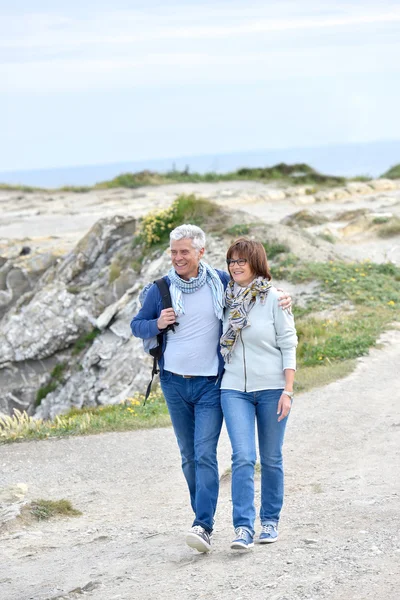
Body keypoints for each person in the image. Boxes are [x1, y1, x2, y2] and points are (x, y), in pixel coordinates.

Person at [131, 225, 292, 553]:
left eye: (184, 252)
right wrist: (157, 323)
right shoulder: (161, 289)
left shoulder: (222, 284)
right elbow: (137, 325)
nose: (177, 258)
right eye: (173, 252)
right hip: (177, 382)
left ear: (200, 252)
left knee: (213, 453)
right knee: (192, 456)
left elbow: (262, 294)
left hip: (214, 386)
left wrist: (287, 297)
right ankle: (207, 518)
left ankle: (210, 523)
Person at [220, 237, 298, 550]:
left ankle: (269, 521)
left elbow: (289, 344)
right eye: (231, 261)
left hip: (272, 389)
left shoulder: (275, 299)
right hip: (233, 388)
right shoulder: (223, 298)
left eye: (241, 261)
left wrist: (288, 390)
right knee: (242, 457)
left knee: (271, 458)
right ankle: (242, 528)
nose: (235, 266)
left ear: (256, 263)